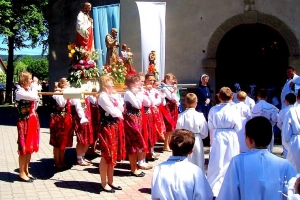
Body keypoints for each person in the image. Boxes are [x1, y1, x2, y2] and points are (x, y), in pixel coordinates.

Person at [217, 116, 297, 200]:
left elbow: (229, 193)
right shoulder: (284, 164)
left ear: (249, 139)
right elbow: (293, 193)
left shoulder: (238, 161)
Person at [151, 129, 213, 200]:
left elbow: (155, 194)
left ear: (170, 146)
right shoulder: (196, 171)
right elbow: (204, 196)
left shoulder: (159, 168)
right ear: (191, 151)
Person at [207, 87, 242, 197]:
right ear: (232, 97)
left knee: (217, 161)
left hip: (218, 136)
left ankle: (214, 188)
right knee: (231, 159)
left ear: (219, 97)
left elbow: (210, 125)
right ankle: (230, 186)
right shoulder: (234, 109)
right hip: (231, 135)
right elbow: (239, 126)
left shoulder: (213, 110)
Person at [97, 75, 125, 193]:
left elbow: (121, 109)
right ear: (104, 84)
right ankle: (104, 183)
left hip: (113, 126)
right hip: (106, 127)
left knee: (112, 154)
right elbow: (114, 112)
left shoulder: (111, 96)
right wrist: (118, 107)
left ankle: (111, 181)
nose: (113, 84)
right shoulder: (103, 97)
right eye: (110, 82)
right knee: (106, 154)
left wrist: (117, 101)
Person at [15, 71, 40, 182]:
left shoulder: (27, 90)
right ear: (25, 80)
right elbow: (34, 96)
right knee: (23, 148)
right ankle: (21, 173)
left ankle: (26, 171)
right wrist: (35, 85)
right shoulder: (19, 91)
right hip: (24, 122)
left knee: (29, 147)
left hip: (32, 120)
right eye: (29, 79)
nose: (31, 81)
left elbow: (36, 103)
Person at [176, 93, 208, 170]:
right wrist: (200, 136)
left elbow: (178, 130)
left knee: (186, 161)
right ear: (196, 102)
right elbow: (204, 133)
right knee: (198, 161)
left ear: (185, 102)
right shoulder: (200, 116)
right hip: (196, 139)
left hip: (184, 140)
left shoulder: (180, 116)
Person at [123, 75, 147, 177]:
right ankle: (133, 168)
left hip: (137, 118)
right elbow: (138, 105)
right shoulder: (128, 93)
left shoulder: (134, 93)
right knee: (133, 143)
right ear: (132, 84)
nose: (139, 84)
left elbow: (147, 102)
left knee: (137, 143)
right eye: (137, 82)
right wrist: (140, 93)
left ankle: (135, 167)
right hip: (131, 119)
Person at [49, 78, 74, 170]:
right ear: (62, 85)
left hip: (65, 118)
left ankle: (62, 161)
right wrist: (65, 93)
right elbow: (62, 103)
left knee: (63, 140)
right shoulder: (57, 93)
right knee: (57, 142)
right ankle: (57, 162)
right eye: (67, 84)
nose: (68, 86)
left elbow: (71, 103)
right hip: (57, 118)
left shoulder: (65, 93)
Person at [251, 88, 279, 152]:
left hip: (257, 129)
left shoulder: (255, 107)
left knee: (258, 147)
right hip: (268, 128)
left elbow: (252, 119)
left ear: (258, 97)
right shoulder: (271, 107)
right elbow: (275, 118)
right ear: (266, 97)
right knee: (268, 147)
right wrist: (270, 124)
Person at [161, 73, 180, 151]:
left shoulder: (171, 87)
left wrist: (174, 91)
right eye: (171, 79)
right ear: (166, 79)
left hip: (173, 107)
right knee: (169, 125)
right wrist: (174, 91)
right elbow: (170, 97)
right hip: (168, 107)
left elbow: (176, 98)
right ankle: (166, 145)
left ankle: (169, 143)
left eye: (173, 79)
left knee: (173, 126)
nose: (172, 81)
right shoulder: (165, 87)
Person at [282, 92, 300, 172]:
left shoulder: (291, 111)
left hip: (296, 141)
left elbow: (286, 134)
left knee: (295, 171)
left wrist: (289, 145)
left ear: (297, 98)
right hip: (296, 139)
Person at [277, 93, 296, 158]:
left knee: (287, 155)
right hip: (296, 134)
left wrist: (283, 129)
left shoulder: (283, 111)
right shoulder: (297, 110)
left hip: (286, 134)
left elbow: (279, 123)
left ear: (286, 101)